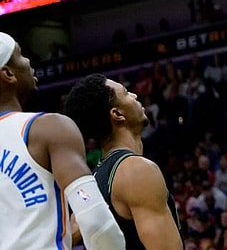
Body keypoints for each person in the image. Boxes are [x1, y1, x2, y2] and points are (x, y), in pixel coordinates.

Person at [0, 32, 125, 249]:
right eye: (20, 55)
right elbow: (96, 221)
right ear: (8, 73)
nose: (28, 61)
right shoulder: (49, 129)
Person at [63, 73, 183, 249]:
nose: (134, 96)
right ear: (118, 114)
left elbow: (65, 237)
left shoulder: (93, 180)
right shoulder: (137, 170)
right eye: (126, 93)